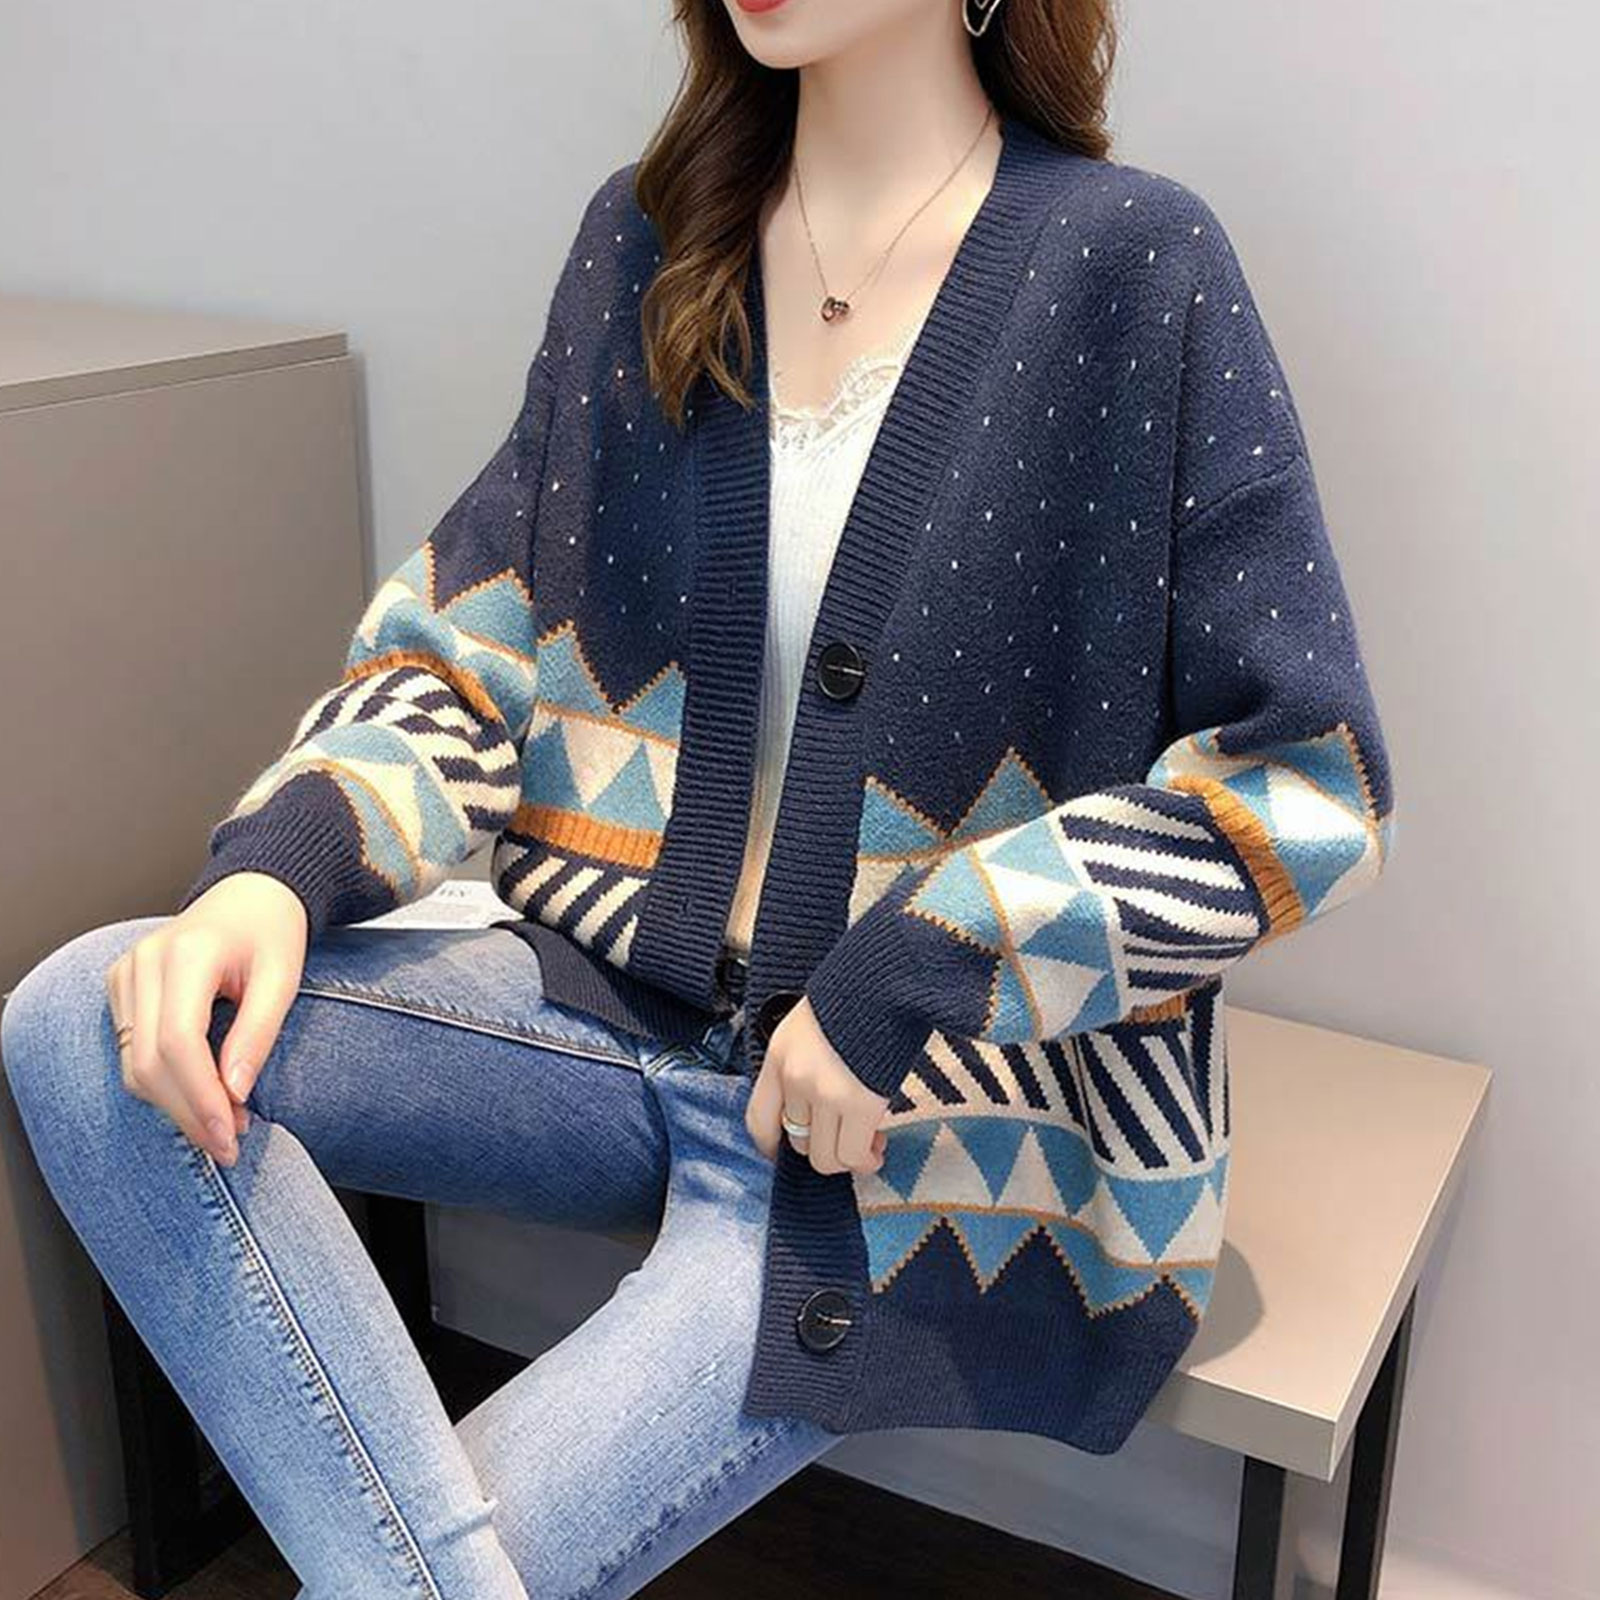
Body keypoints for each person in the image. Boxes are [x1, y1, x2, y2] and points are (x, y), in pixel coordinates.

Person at [2, 0, 1398, 1595]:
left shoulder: (1135, 268)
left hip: (889, 1134)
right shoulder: (652, 242)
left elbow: (1307, 785)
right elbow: (481, 641)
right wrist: (281, 863)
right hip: (602, 1027)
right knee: (87, 1018)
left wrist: (918, 967)